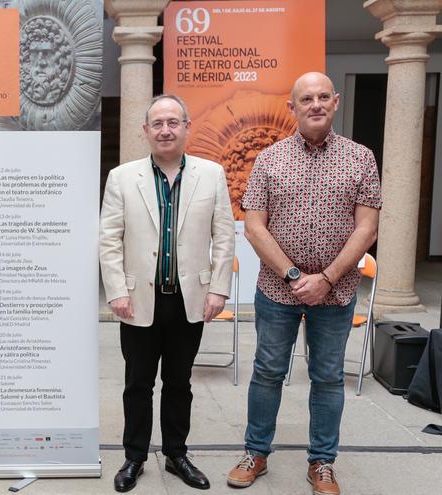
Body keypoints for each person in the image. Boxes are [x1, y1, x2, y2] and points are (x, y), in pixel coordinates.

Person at [226, 72, 381, 495]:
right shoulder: (269, 159)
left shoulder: (361, 158)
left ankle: (322, 463)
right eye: (306, 98)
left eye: (322, 97)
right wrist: (295, 276)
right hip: (278, 292)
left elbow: (366, 229)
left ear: (336, 102)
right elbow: (255, 228)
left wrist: (327, 278)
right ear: (291, 107)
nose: (315, 104)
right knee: (267, 371)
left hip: (337, 293)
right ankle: (255, 452)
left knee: (328, 377)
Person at [100, 94, 236, 492]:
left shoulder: (212, 174)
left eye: (173, 122)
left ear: (186, 128)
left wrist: (218, 289)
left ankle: (177, 454)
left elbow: (223, 237)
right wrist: (115, 292)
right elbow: (109, 239)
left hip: (189, 300)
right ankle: (134, 457)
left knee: (180, 382)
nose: (165, 130)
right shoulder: (122, 177)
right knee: (138, 384)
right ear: (145, 131)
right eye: (157, 123)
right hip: (138, 298)